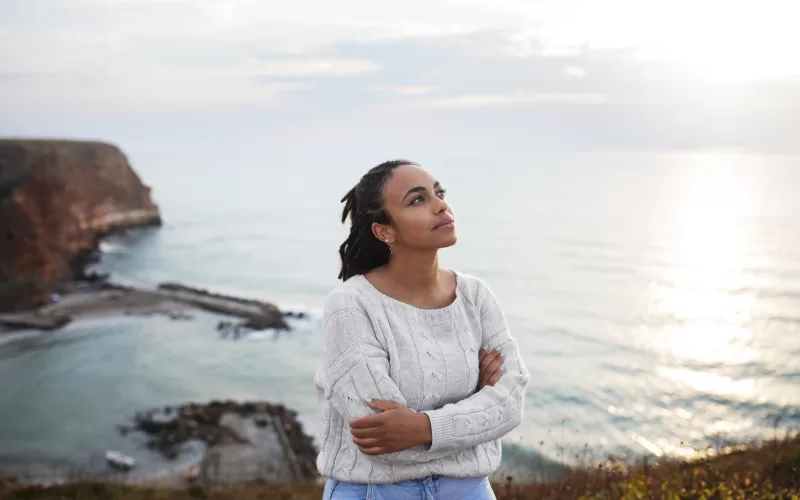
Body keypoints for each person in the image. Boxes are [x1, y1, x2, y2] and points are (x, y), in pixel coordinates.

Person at [314, 160, 530, 500]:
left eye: (439, 192)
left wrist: (424, 427)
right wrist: (476, 403)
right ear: (384, 230)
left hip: (469, 490)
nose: (441, 205)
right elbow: (381, 439)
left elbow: (512, 404)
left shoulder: (475, 296)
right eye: (418, 200)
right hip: (376, 492)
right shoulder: (350, 305)